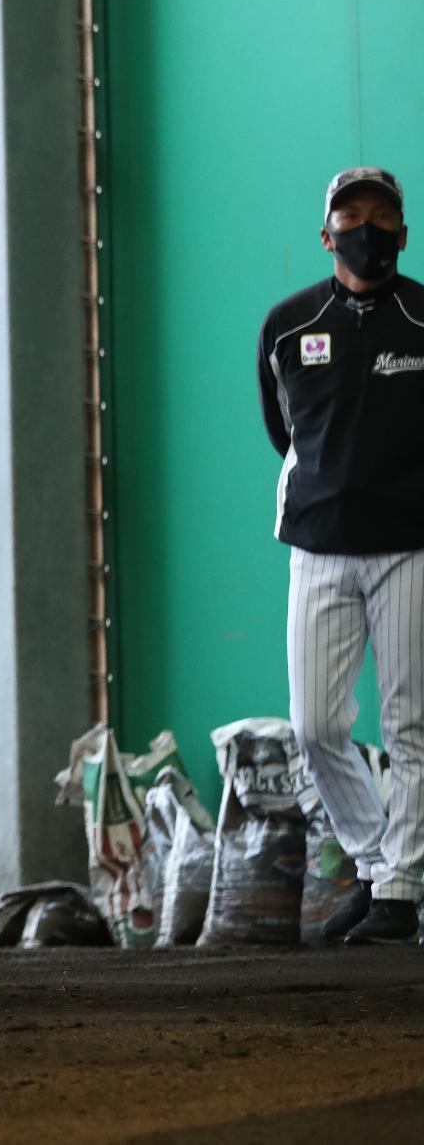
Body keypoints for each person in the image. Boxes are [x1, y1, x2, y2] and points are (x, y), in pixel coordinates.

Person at [259, 165, 424, 944]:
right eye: (351, 215)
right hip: (319, 545)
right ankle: (371, 859)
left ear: (403, 229)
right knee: (317, 724)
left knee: (411, 723)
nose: (368, 226)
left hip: (411, 547)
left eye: (382, 215)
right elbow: (284, 430)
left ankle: (400, 885)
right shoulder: (288, 326)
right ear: (326, 234)